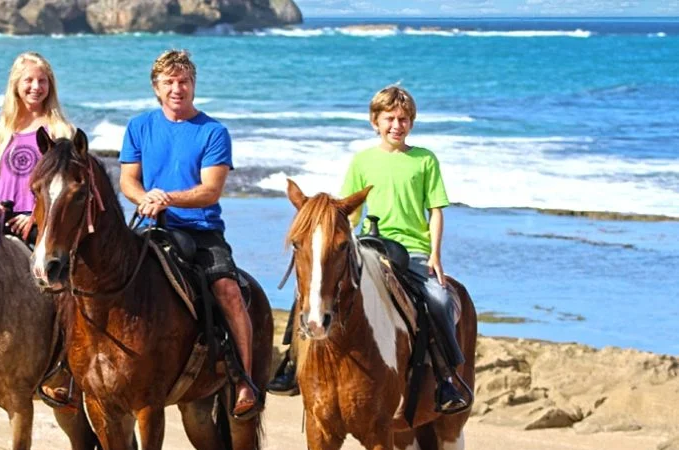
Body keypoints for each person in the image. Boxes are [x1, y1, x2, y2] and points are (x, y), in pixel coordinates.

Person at [268, 85, 468, 413]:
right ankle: (290, 365)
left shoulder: (424, 160)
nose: (397, 125)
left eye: (404, 119)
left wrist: (434, 254)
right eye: (390, 118)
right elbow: (350, 211)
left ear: (411, 123)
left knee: (439, 298)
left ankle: (446, 379)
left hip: (413, 251)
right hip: (370, 246)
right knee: (309, 290)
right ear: (375, 122)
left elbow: (435, 210)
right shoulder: (362, 161)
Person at [118, 49, 260, 419]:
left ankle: (244, 378)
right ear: (156, 88)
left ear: (193, 85)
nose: (177, 88)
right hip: (149, 227)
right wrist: (144, 197)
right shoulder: (139, 126)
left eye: (183, 81)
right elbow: (127, 181)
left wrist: (166, 197)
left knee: (228, 290)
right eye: (169, 82)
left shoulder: (213, 131)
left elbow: (210, 191)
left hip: (201, 230)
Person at [0, 52, 74, 242]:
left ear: (50, 86)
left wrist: (36, 216)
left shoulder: (61, 131)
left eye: (42, 81)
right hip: (0, 225)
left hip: (43, 227)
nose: (36, 87)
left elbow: (69, 190)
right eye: (28, 80)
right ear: (16, 84)